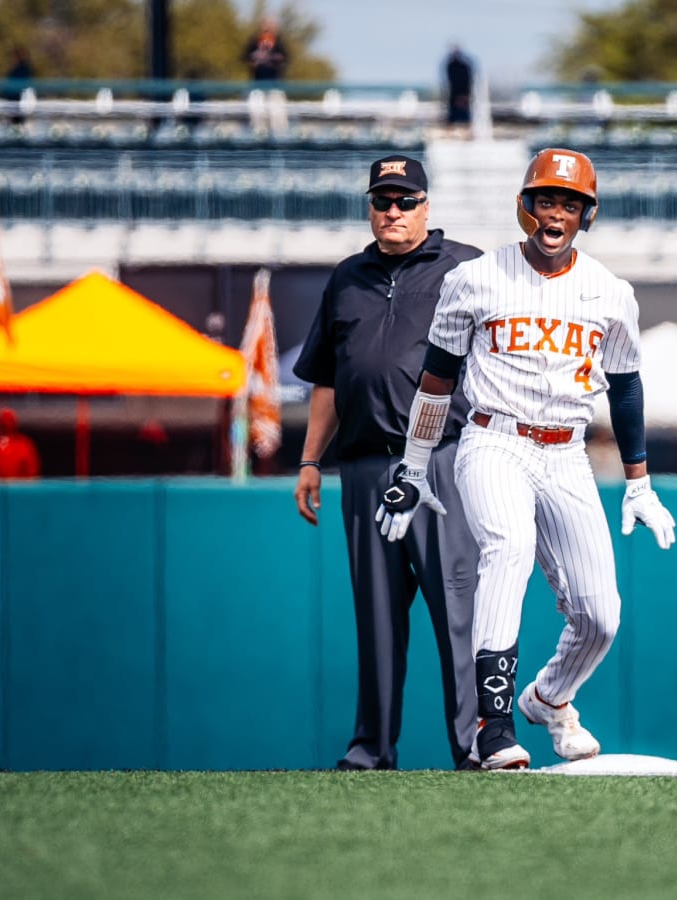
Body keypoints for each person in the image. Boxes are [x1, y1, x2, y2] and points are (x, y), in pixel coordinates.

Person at [376, 148, 676, 770]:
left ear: (585, 214)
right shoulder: (477, 278)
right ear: (525, 207)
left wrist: (639, 481)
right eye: (546, 199)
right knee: (505, 548)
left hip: (566, 452)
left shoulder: (611, 293)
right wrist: (412, 466)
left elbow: (625, 387)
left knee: (601, 614)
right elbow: (437, 379)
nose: (556, 213)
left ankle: (550, 698)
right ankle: (494, 723)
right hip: (492, 439)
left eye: (569, 202)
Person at [292, 155, 484, 771]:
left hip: (443, 465)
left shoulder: (466, 267)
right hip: (366, 468)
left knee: (461, 614)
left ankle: (477, 743)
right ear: (369, 207)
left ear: (427, 206)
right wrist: (309, 460)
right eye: (382, 201)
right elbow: (326, 377)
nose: (393, 211)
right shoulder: (348, 277)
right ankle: (371, 748)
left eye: (405, 200)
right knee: (375, 620)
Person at [0, 407, 41, 479]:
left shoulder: (24, 444)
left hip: (18, 487)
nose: (6, 424)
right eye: (3, 421)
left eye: (9, 420)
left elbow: (32, 471)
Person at [244, 16, 288, 82]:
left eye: (271, 24)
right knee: (251, 92)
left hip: (275, 83)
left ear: (275, 27)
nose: (268, 27)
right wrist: (254, 62)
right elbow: (246, 57)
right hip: (257, 82)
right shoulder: (254, 42)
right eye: (265, 24)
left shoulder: (279, 43)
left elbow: (285, 60)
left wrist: (274, 60)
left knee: (276, 92)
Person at [444, 46, 473, 130]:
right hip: (455, 93)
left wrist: (465, 94)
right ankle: (451, 130)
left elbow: (468, 80)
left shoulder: (464, 66)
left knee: (465, 114)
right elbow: (451, 80)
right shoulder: (451, 65)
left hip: (463, 93)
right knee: (453, 115)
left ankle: (467, 130)